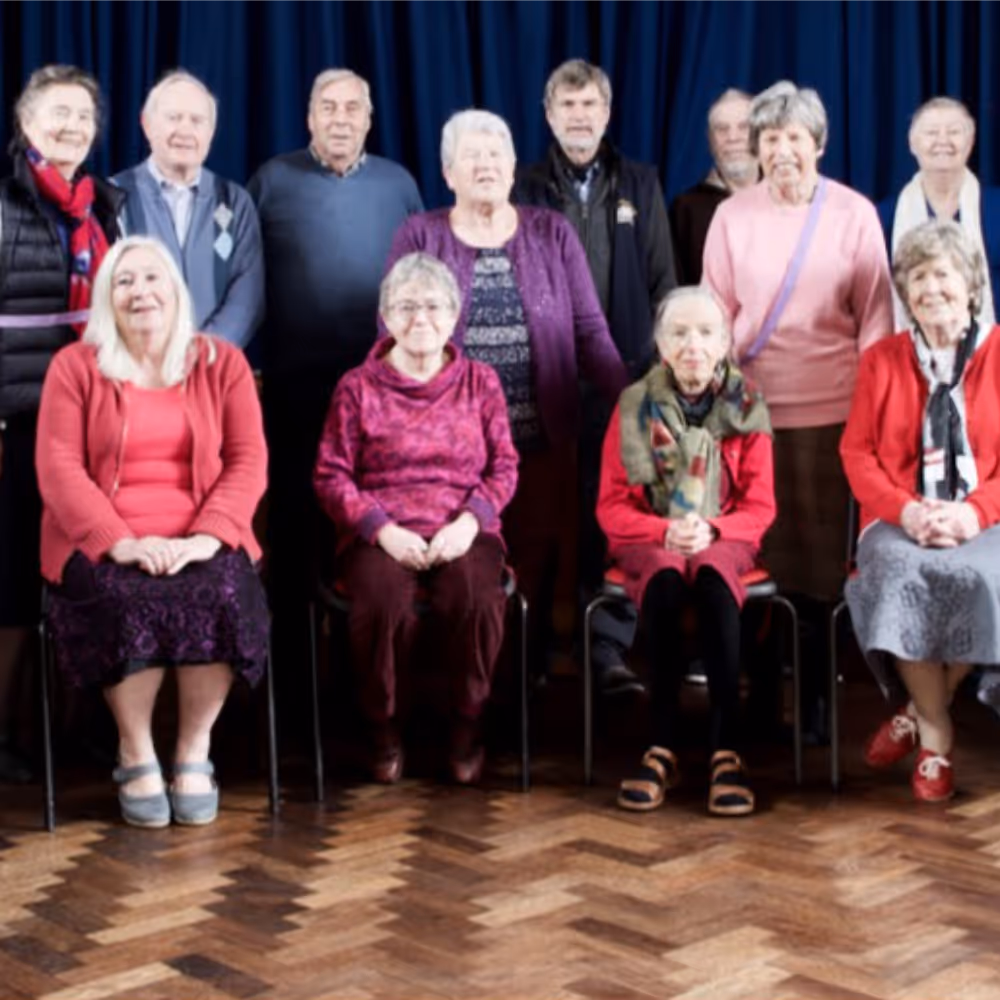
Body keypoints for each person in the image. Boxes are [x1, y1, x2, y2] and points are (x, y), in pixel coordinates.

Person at [385, 109, 628, 685]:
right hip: (449, 456)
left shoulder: (551, 232)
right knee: (466, 571)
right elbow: (393, 330)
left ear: (514, 166)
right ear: (448, 172)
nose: (486, 165)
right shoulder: (421, 235)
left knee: (537, 565)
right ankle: (463, 689)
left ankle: (525, 679)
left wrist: (634, 402)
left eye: (496, 154)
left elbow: (590, 331)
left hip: (541, 441)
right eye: (472, 156)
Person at [35, 236, 269, 827]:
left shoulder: (223, 364)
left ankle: (194, 751)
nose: (140, 292)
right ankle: (135, 751)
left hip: (201, 537)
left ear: (176, 290)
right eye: (124, 281)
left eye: (152, 278)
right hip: (101, 542)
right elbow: (58, 467)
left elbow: (249, 461)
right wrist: (120, 542)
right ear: (106, 298)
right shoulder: (74, 368)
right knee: (124, 599)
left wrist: (207, 537)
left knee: (221, 593)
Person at [702, 80, 893, 741]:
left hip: (834, 413)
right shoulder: (732, 217)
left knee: (819, 569)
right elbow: (715, 314)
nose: (782, 150)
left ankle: (814, 702)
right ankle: (759, 697)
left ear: (819, 143)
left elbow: (876, 320)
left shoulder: (854, 214)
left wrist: (870, 413)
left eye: (794, 137)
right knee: (755, 559)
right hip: (751, 417)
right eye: (770, 138)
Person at [248, 69, 423, 730]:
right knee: (294, 536)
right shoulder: (271, 181)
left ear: (369, 119)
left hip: (381, 396)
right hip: (295, 391)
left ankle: (363, 695)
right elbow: (248, 277)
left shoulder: (399, 184)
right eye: (329, 107)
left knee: (364, 533)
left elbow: (417, 278)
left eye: (353, 107)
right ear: (309, 117)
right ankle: (294, 699)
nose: (341, 118)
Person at [313, 253, 518, 784]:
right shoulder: (357, 387)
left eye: (432, 306)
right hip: (381, 531)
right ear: (385, 316)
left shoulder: (480, 382)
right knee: (382, 603)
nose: (420, 318)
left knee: (474, 598)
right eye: (405, 307)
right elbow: (331, 475)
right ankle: (382, 727)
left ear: (454, 315)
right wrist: (381, 530)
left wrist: (469, 523)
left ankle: (467, 723)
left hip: (464, 528)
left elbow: (504, 467)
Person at [513, 59, 677, 696]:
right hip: (544, 380)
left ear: (606, 114)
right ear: (549, 115)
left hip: (623, 381)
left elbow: (663, 283)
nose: (579, 117)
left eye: (590, 106)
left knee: (610, 519)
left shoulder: (640, 181)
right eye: (568, 106)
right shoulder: (525, 186)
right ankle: (531, 651)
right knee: (540, 520)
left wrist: (651, 376)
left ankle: (605, 649)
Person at [597, 287, 775, 816]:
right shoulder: (634, 405)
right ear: (660, 344)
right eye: (678, 333)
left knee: (716, 579)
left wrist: (713, 531)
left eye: (705, 333)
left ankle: (726, 748)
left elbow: (761, 507)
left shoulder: (747, 406)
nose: (692, 344)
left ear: (724, 343)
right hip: (650, 537)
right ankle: (662, 744)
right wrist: (662, 531)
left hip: (724, 536)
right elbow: (611, 507)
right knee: (666, 578)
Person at [841, 220, 1000, 803]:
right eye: (917, 278)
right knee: (902, 575)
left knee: (985, 577)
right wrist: (907, 513)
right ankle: (937, 735)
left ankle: (918, 713)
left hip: (985, 518)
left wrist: (973, 514)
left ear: (971, 284)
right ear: (904, 293)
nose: (930, 288)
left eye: (942, 274)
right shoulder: (881, 360)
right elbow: (857, 454)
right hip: (897, 519)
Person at [0, 65, 123, 783]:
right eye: (57, 113)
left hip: (90, 427)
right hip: (16, 425)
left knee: (86, 574)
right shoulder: (4, 203)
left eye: (83, 115)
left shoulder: (104, 206)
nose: (72, 126)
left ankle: (77, 731)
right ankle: (6, 732)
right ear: (26, 123)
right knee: (13, 586)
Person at [113, 70, 264, 349]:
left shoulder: (234, 202)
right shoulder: (113, 197)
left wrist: (202, 353)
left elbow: (247, 296)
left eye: (197, 120)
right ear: (147, 124)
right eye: (173, 117)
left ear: (210, 132)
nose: (185, 130)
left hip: (213, 364)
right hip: (136, 362)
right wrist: (154, 356)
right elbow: (106, 290)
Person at [879, 97, 1000, 331]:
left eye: (954, 132)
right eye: (931, 132)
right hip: (910, 347)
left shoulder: (996, 206)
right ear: (912, 144)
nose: (942, 141)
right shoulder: (884, 217)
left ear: (971, 141)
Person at [669, 89, 759, 285]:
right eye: (722, 129)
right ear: (710, 141)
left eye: (743, 127)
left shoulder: (784, 197)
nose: (732, 137)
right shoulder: (685, 209)